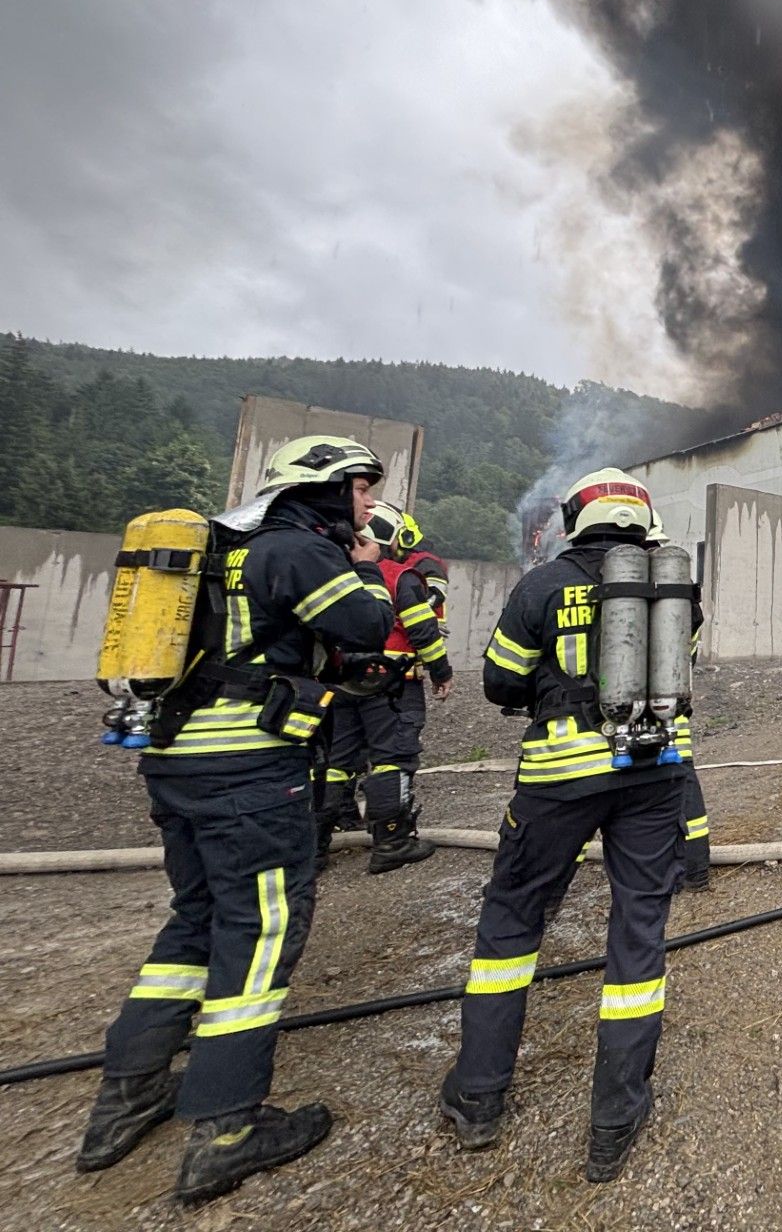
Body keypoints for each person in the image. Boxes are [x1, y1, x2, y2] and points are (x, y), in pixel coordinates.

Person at [77, 436, 396, 1203]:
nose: (367, 505)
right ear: (322, 490)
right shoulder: (295, 550)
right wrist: (364, 567)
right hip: (248, 773)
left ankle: (128, 1094)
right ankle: (227, 1129)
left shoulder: (217, 548)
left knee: (194, 921)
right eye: (359, 490)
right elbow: (362, 624)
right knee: (258, 935)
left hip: (177, 761)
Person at [438, 468, 703, 1182]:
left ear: (575, 518)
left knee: (512, 923)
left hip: (559, 779)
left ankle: (480, 1098)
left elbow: (500, 680)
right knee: (639, 928)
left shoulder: (542, 585)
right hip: (654, 774)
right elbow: (685, 665)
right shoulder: (672, 586)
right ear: (642, 517)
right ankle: (616, 1114)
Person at [314, 500, 453, 873]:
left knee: (337, 763)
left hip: (341, 685)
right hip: (393, 685)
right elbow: (422, 629)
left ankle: (313, 848)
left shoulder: (332, 574)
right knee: (393, 759)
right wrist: (441, 672)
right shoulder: (399, 575)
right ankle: (392, 841)